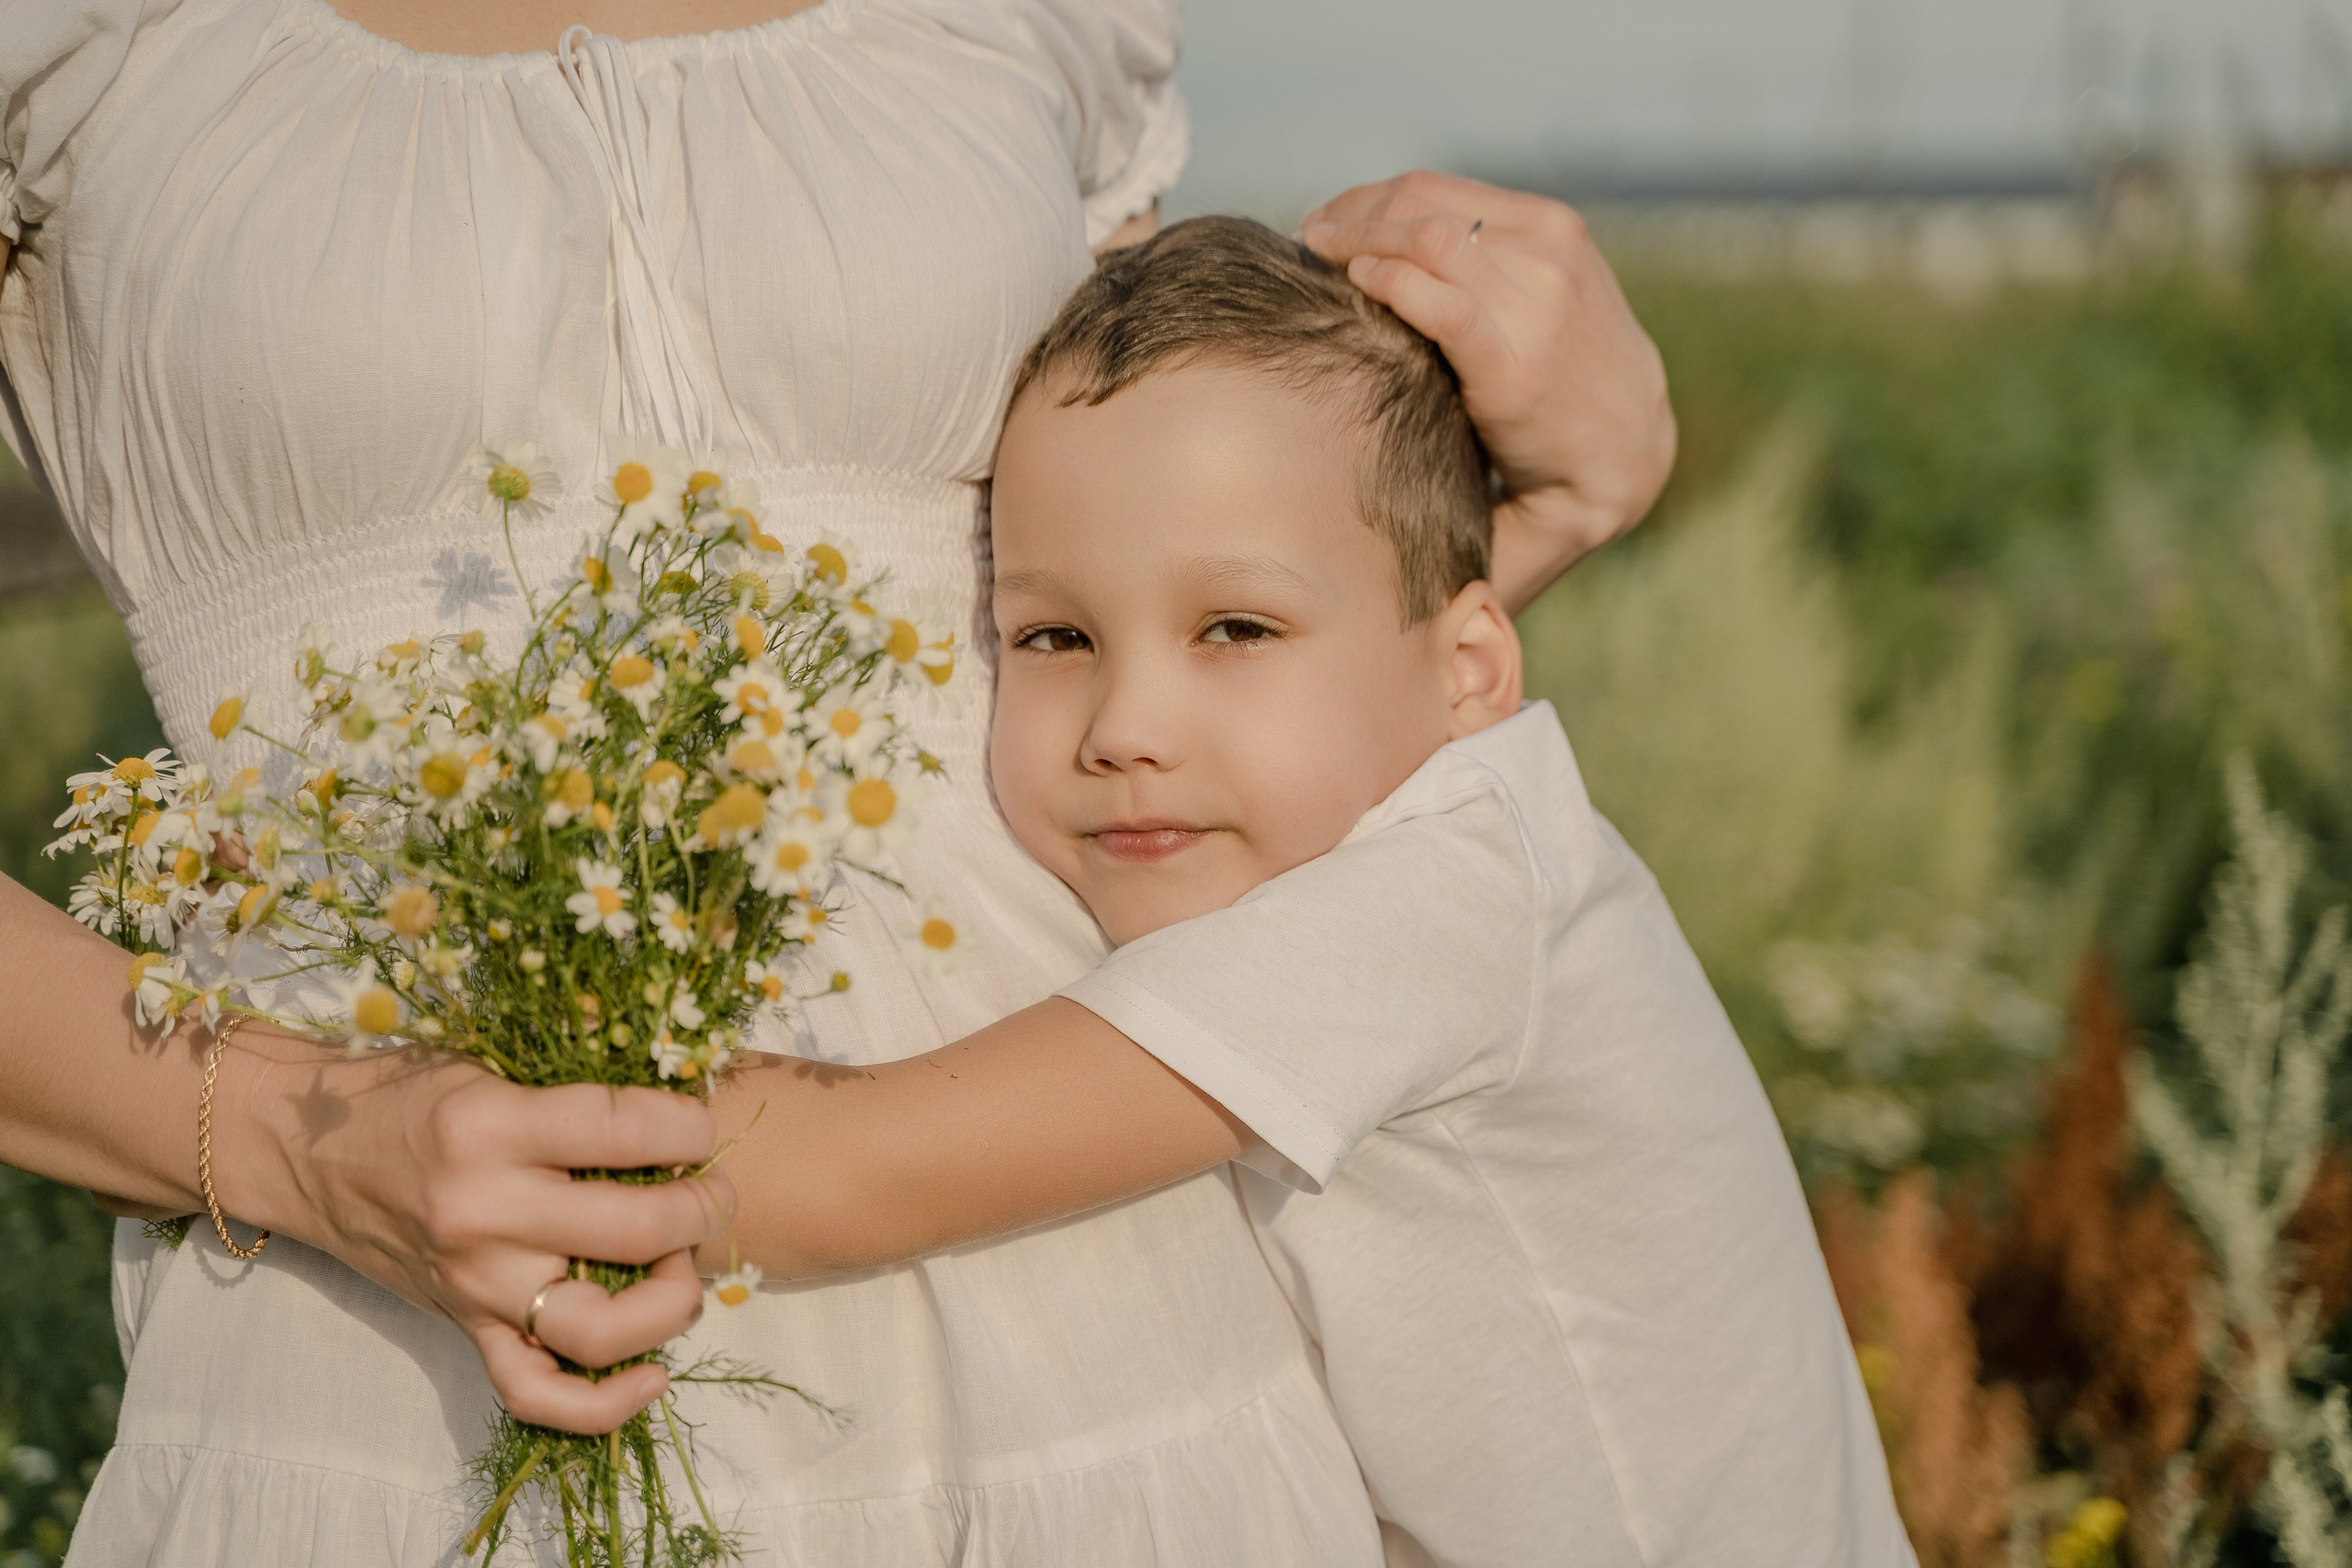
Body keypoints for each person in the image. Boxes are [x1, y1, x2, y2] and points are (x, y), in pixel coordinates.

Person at [0, 2, 1676, 1563]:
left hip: (1090, 1321)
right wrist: (302, 1144)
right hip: (374, 1372)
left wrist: (1554, 496)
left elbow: (1158, 624)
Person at [693, 217, 1914, 1566]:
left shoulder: (1425, 910)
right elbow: (1373, 634)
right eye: (1055, 635)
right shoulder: (1455, 827)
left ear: (1473, 670)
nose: (1126, 728)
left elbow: (849, 1176)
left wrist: (507, 1095)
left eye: (1235, 628)